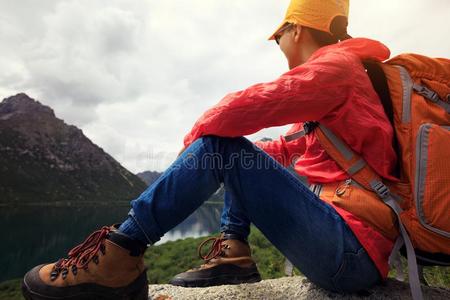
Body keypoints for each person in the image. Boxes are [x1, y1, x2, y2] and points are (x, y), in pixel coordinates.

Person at [22, 0, 400, 299]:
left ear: (295, 29)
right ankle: (234, 250)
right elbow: (284, 148)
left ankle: (120, 254)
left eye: (278, 35)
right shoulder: (350, 82)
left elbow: (250, 105)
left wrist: (202, 145)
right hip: (352, 251)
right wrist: (218, 157)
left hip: (350, 254)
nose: (278, 42)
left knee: (222, 143)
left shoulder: (336, 69)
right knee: (237, 150)